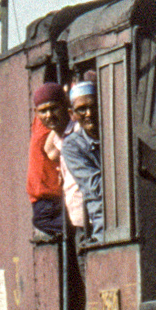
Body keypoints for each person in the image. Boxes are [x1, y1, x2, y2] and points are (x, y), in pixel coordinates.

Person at [57, 81, 108, 240]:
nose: (89, 113)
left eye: (93, 107)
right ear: (72, 114)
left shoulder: (116, 131)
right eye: (82, 109)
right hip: (105, 225)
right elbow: (96, 187)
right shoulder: (72, 145)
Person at [27, 82, 71, 241]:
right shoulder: (41, 122)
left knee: (45, 221)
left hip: (51, 197)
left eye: (53, 109)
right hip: (42, 197)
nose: (48, 115)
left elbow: (52, 153)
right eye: (43, 111)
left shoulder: (59, 126)